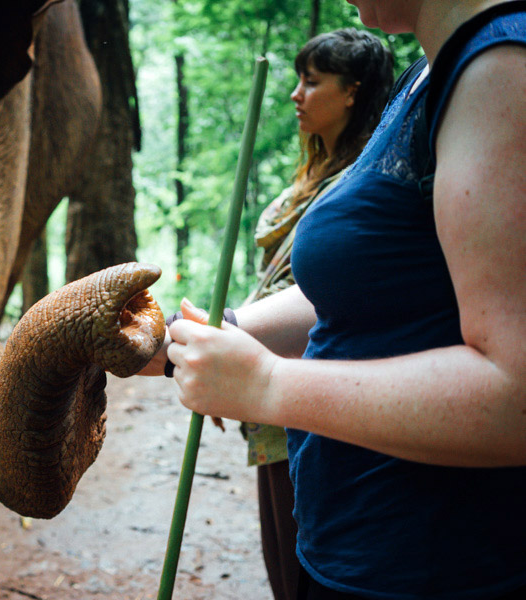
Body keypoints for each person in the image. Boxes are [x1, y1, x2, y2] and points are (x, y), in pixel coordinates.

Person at [150, 1, 526, 598]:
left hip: (437, 570)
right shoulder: (431, 69)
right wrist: (208, 333)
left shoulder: (503, 71)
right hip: (359, 550)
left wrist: (267, 385)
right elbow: (362, 296)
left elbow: (517, 398)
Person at [243, 28, 394, 600]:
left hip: (313, 385)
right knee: (278, 553)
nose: (295, 95)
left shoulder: (364, 182)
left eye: (312, 82)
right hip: (269, 388)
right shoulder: (312, 174)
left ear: (352, 92)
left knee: (303, 559)